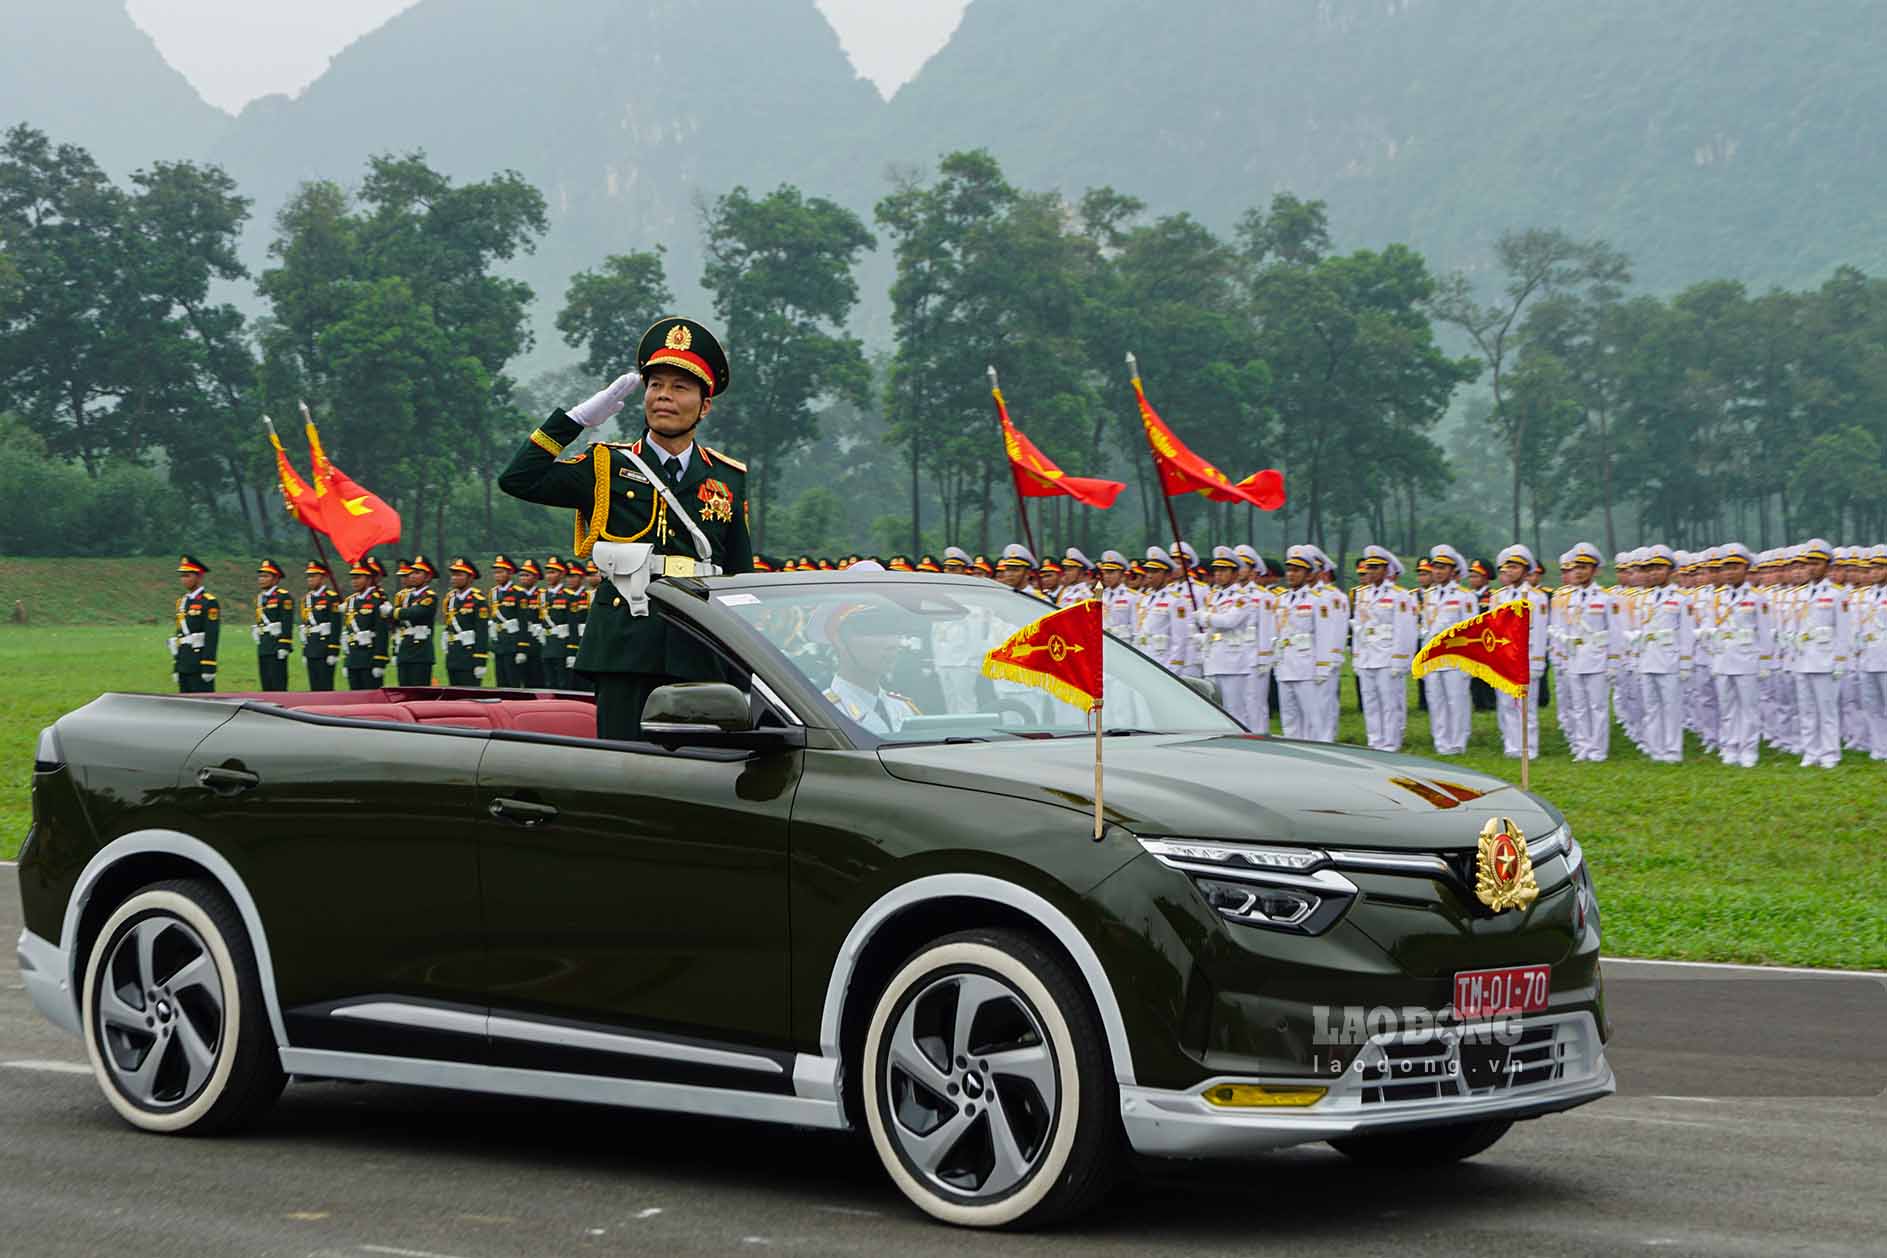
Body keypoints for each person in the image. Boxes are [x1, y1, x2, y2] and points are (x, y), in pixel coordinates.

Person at [499, 316, 752, 740]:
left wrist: (746, 662)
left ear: (705, 405)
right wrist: (575, 421)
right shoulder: (607, 465)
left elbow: (740, 574)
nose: (663, 397)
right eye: (655, 385)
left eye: (679, 387)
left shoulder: (727, 476)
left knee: (702, 776)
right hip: (624, 647)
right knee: (624, 773)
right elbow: (518, 478)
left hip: (700, 647)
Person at [1555, 542, 1624, 762]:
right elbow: (1564, 630)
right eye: (1577, 567)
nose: (1579, 571)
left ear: (1595, 571)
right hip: (1575, 658)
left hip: (1597, 658)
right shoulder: (1570, 598)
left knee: (1598, 706)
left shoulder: (1605, 598)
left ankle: (1598, 750)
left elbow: (1614, 632)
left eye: (1585, 567)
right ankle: (1583, 746)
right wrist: (1564, 658)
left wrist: (1613, 662)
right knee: (1579, 706)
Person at [1787, 539, 1851, 768]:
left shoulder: (1837, 594)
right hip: (1803, 658)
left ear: (1827, 566)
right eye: (1808, 563)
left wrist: (1841, 660)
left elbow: (1843, 630)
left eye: (1817, 563)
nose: (1811, 567)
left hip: (1825, 658)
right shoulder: (1800, 593)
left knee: (1827, 709)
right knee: (1806, 708)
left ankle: (1830, 753)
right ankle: (1811, 751)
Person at [1352, 545, 1417, 752]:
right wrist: (1356, 656)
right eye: (1368, 568)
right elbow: (1359, 628)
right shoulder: (1362, 595)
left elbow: (1405, 629)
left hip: (1388, 654)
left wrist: (1400, 659)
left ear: (1386, 570)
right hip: (1367, 654)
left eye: (1376, 568)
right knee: (1370, 701)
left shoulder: (1400, 595)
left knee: (1390, 702)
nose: (1370, 572)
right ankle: (1374, 740)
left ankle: (1391, 742)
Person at [1630, 545, 1691, 763]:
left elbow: (1685, 633)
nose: (1654, 572)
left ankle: (1673, 750)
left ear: (1671, 571)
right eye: (1650, 569)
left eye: (1659, 568)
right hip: (1647, 657)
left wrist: (1685, 663)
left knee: (1671, 707)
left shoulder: (1680, 598)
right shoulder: (1642, 598)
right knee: (1651, 707)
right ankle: (1656, 749)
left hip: (1669, 659)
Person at [1489, 545, 1549, 760]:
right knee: (1506, 704)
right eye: (1507, 567)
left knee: (1525, 706)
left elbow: (1540, 631)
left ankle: (1528, 747)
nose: (1510, 571)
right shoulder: (1498, 597)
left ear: (1526, 570)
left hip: (1526, 656)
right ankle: (1511, 745)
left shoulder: (1536, 597)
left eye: (1515, 567)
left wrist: (1538, 662)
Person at [1422, 545, 1476, 754]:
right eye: (1435, 567)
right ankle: (1441, 742)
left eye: (1443, 567)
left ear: (1453, 571)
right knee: (1436, 701)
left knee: (1457, 701)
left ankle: (1457, 742)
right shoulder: (1429, 595)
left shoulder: (1464, 596)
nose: (1437, 571)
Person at [171, 555, 220, 693]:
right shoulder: (182, 602)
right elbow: (179, 636)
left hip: (199, 663)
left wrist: (209, 665)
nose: (184, 579)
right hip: (184, 662)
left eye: (188, 575)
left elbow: (212, 635)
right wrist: (176, 665)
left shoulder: (209, 602)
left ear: (199, 577)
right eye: (182, 576)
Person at [443, 557, 490, 686]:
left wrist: (481, 661)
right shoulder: (450, 599)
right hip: (453, 655)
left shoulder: (478, 600)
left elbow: (482, 632)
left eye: (459, 575)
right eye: (453, 575)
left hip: (470, 657)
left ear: (470, 578)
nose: (454, 578)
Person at [342, 561, 389, 690]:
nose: (354, 581)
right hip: (353, 658)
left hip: (369, 659)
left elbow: (382, 633)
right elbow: (348, 631)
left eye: (358, 578)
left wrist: (380, 661)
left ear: (369, 579)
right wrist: (346, 662)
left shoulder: (377, 600)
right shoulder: (350, 601)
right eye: (353, 578)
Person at [393, 554, 438, 685]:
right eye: (412, 573)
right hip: (405, 650)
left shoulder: (429, 596)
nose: (412, 576)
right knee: (404, 691)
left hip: (421, 653)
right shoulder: (405, 597)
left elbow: (414, 613)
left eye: (417, 573)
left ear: (428, 577)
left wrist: (392, 612)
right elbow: (396, 622)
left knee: (419, 692)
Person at [300, 561, 343, 691]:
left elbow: (336, 626)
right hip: (311, 648)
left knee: (326, 687)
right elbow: (305, 626)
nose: (310, 579)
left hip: (325, 649)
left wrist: (333, 651)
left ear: (323, 577)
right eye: (309, 576)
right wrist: (305, 651)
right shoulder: (306, 599)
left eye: (314, 576)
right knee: (314, 687)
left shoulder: (331, 598)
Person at [253, 559, 294, 691]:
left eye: (266, 576)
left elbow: (287, 622)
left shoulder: (283, 597)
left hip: (277, 647)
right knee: (266, 685)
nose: (261, 579)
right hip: (264, 645)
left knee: (278, 684)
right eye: (260, 576)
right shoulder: (260, 598)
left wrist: (284, 645)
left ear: (276, 579)